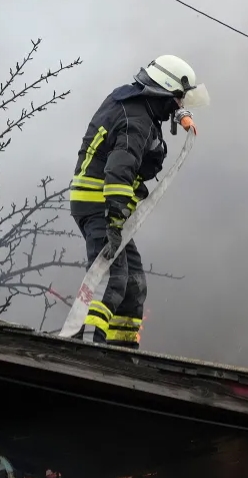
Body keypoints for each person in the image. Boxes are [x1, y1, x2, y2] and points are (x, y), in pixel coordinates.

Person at [67, 55, 207, 349]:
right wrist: (114, 220)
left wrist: (180, 117)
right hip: (102, 206)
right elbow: (120, 169)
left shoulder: (135, 105)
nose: (179, 107)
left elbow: (156, 120)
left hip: (104, 207)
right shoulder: (136, 120)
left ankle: (122, 350)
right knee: (110, 279)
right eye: (177, 101)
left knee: (132, 285)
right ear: (164, 93)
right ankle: (89, 350)